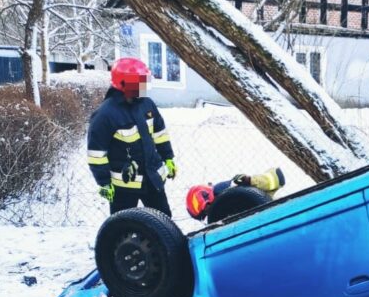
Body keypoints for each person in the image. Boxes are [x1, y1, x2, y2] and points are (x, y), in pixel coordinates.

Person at [87, 58, 177, 216]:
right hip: (125, 187)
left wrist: (168, 157)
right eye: (140, 83)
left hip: (152, 179)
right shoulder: (105, 115)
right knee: (123, 227)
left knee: (163, 222)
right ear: (123, 83)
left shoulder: (147, 105)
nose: (144, 87)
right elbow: (96, 154)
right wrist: (104, 182)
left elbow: (160, 134)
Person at [185, 168, 285, 222]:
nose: (210, 215)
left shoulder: (237, 188)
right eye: (206, 215)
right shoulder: (220, 221)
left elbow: (277, 176)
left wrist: (250, 181)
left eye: (207, 211)